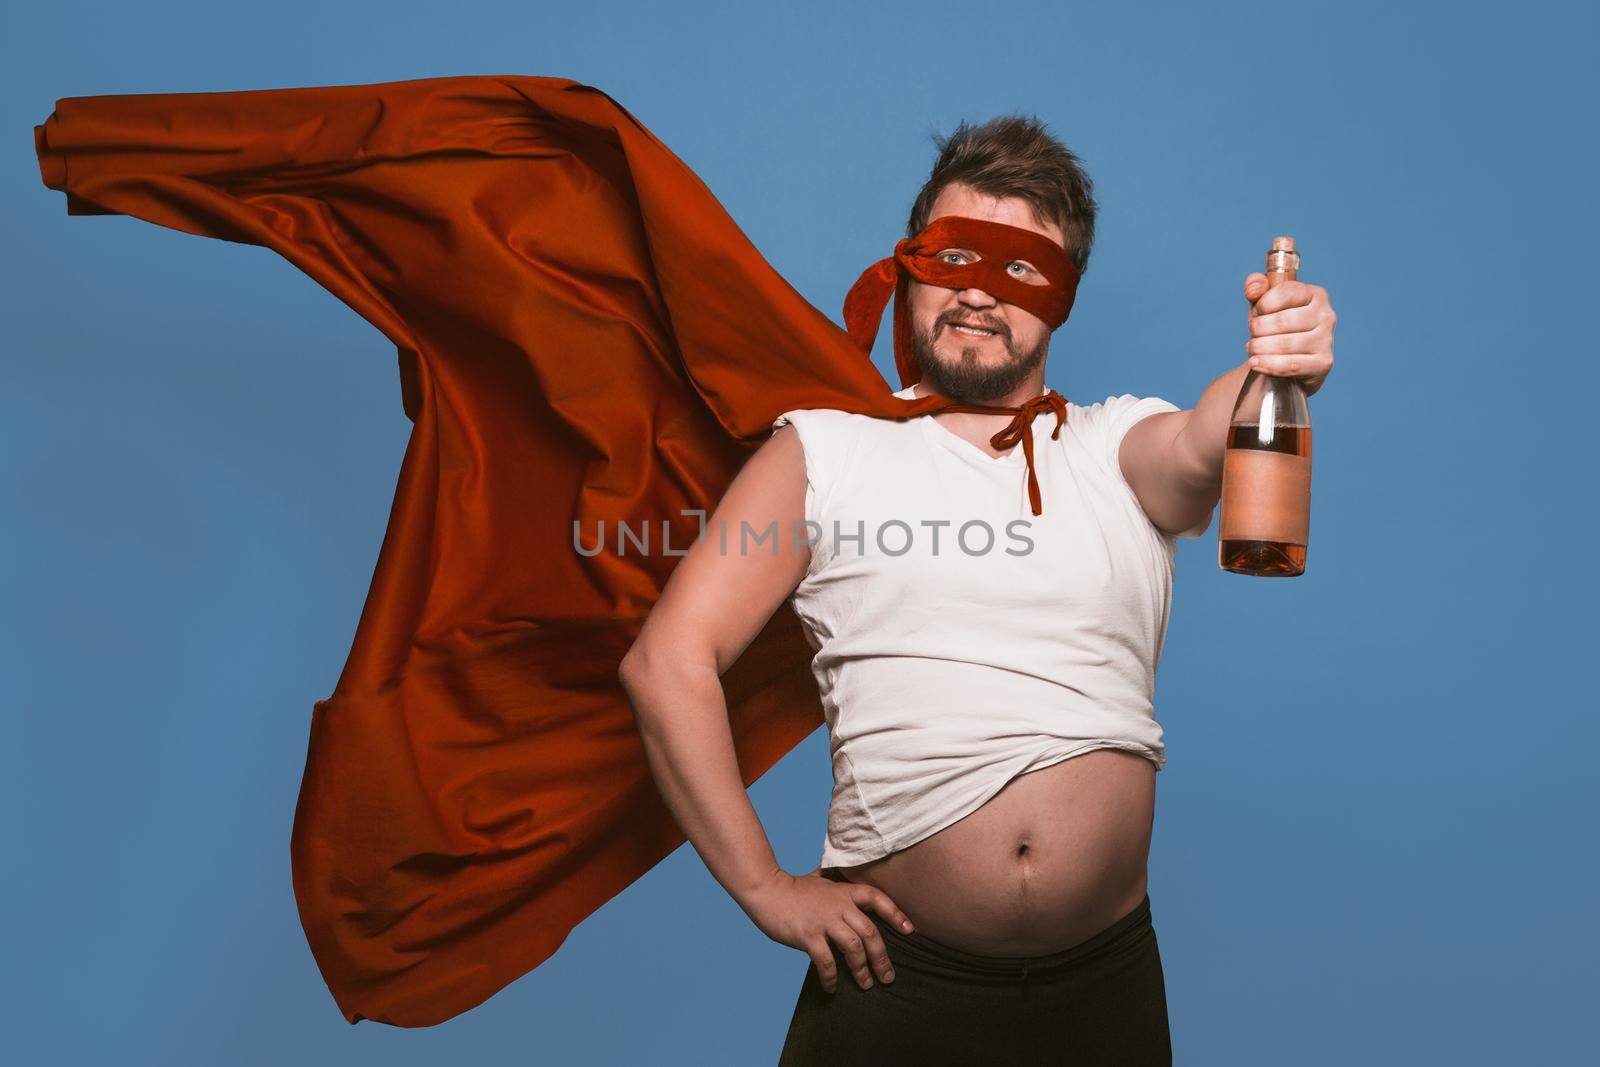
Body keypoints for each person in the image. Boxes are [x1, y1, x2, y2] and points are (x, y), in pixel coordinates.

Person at [618, 115, 1337, 1063]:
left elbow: (1212, 433)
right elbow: (668, 658)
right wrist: (764, 886)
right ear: (909, 267)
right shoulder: (822, 453)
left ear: (1063, 299)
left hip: (1106, 993)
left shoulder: (1116, 448)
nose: (974, 291)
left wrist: (1277, 362)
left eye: (1017, 271)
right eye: (951, 256)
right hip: (894, 988)